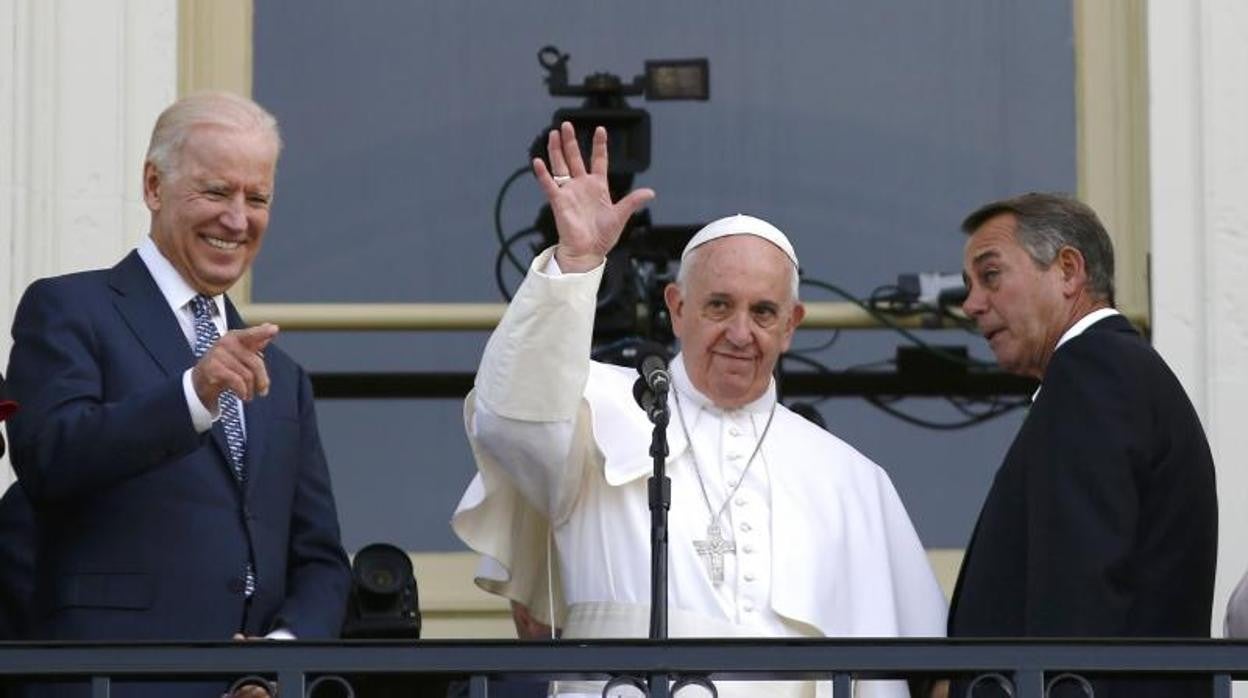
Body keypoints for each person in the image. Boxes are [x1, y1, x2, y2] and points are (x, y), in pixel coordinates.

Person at [452, 122, 946, 697]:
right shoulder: (595, 406)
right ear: (677, 306)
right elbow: (511, 422)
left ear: (792, 326)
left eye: (763, 312)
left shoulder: (854, 481)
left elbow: (911, 668)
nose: (741, 332)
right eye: (718, 305)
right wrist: (576, 263)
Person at [4, 92, 351, 694]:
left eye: (257, 198)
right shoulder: (70, 310)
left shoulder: (283, 377)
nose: (238, 220)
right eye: (216, 193)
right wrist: (193, 392)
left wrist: (279, 655)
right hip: (111, 682)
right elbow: (49, 456)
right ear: (154, 186)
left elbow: (319, 560)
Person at [948, 193, 1217, 697]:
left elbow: (1078, 596)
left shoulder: (1094, 370)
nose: (972, 303)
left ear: (1068, 270)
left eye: (991, 275)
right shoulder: (1114, 370)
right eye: (970, 285)